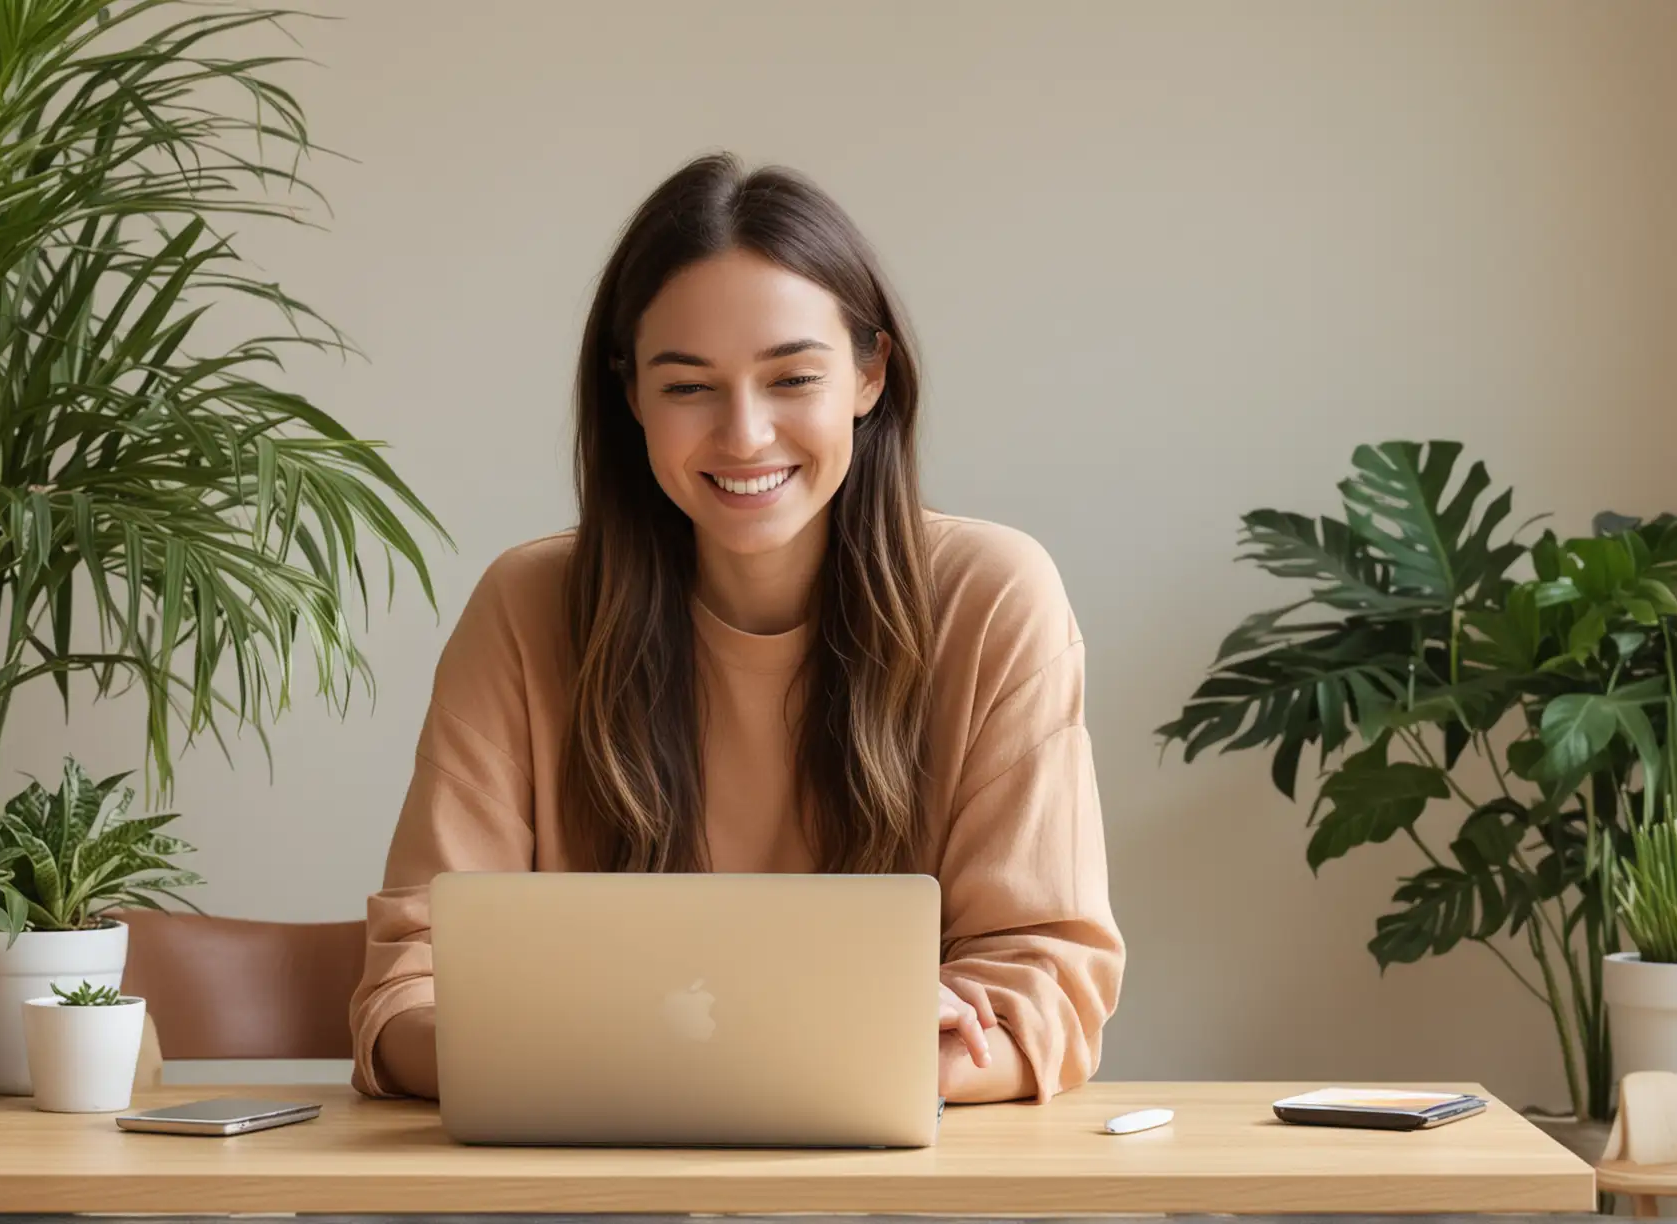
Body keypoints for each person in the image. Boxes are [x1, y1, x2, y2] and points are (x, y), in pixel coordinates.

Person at [349, 153, 1123, 1106]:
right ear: (630, 393)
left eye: (792, 378)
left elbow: (1042, 993)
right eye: (687, 388)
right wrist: (783, 1057)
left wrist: (682, 1068)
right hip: (588, 1197)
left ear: (870, 375)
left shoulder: (994, 597)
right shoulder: (527, 606)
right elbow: (406, 994)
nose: (746, 435)